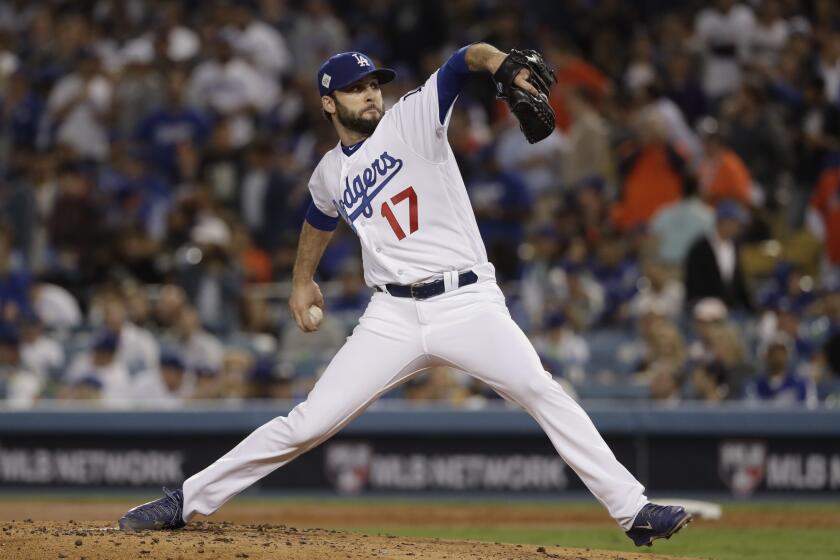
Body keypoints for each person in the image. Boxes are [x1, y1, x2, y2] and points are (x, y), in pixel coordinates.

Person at [118, 44, 690, 546]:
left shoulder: (412, 118)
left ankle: (633, 510)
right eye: (356, 88)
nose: (371, 95)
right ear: (327, 103)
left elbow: (465, 58)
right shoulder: (327, 173)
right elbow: (318, 217)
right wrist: (300, 279)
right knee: (307, 423)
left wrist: (499, 63)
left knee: (543, 390)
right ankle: (185, 501)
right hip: (390, 313)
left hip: (466, 301)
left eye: (374, 85)